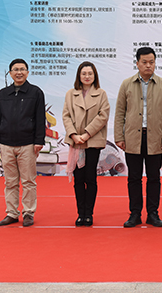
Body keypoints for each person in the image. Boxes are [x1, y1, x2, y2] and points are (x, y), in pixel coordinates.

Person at [114, 47, 162, 228]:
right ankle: (135, 214)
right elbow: (120, 113)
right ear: (137, 63)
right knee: (134, 178)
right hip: (133, 137)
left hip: (155, 138)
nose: (148, 65)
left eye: (151, 62)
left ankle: (153, 213)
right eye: (145, 62)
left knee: (154, 177)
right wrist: (119, 136)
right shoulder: (127, 84)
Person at [0, 59, 45, 227]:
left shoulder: (35, 92)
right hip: (6, 144)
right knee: (10, 181)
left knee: (28, 181)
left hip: (27, 144)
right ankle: (11, 213)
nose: (19, 72)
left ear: (27, 72)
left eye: (22, 69)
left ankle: (28, 212)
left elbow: (40, 118)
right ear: (10, 73)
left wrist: (39, 140)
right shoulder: (2, 94)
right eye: (15, 69)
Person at [62, 61, 110, 227]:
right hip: (76, 142)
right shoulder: (71, 94)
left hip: (92, 141)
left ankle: (88, 213)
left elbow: (103, 116)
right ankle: (80, 213)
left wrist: (86, 134)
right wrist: (74, 135)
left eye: (90, 73)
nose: (87, 76)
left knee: (90, 178)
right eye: (84, 73)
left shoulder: (101, 94)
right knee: (78, 179)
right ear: (79, 76)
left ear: (95, 76)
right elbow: (66, 116)